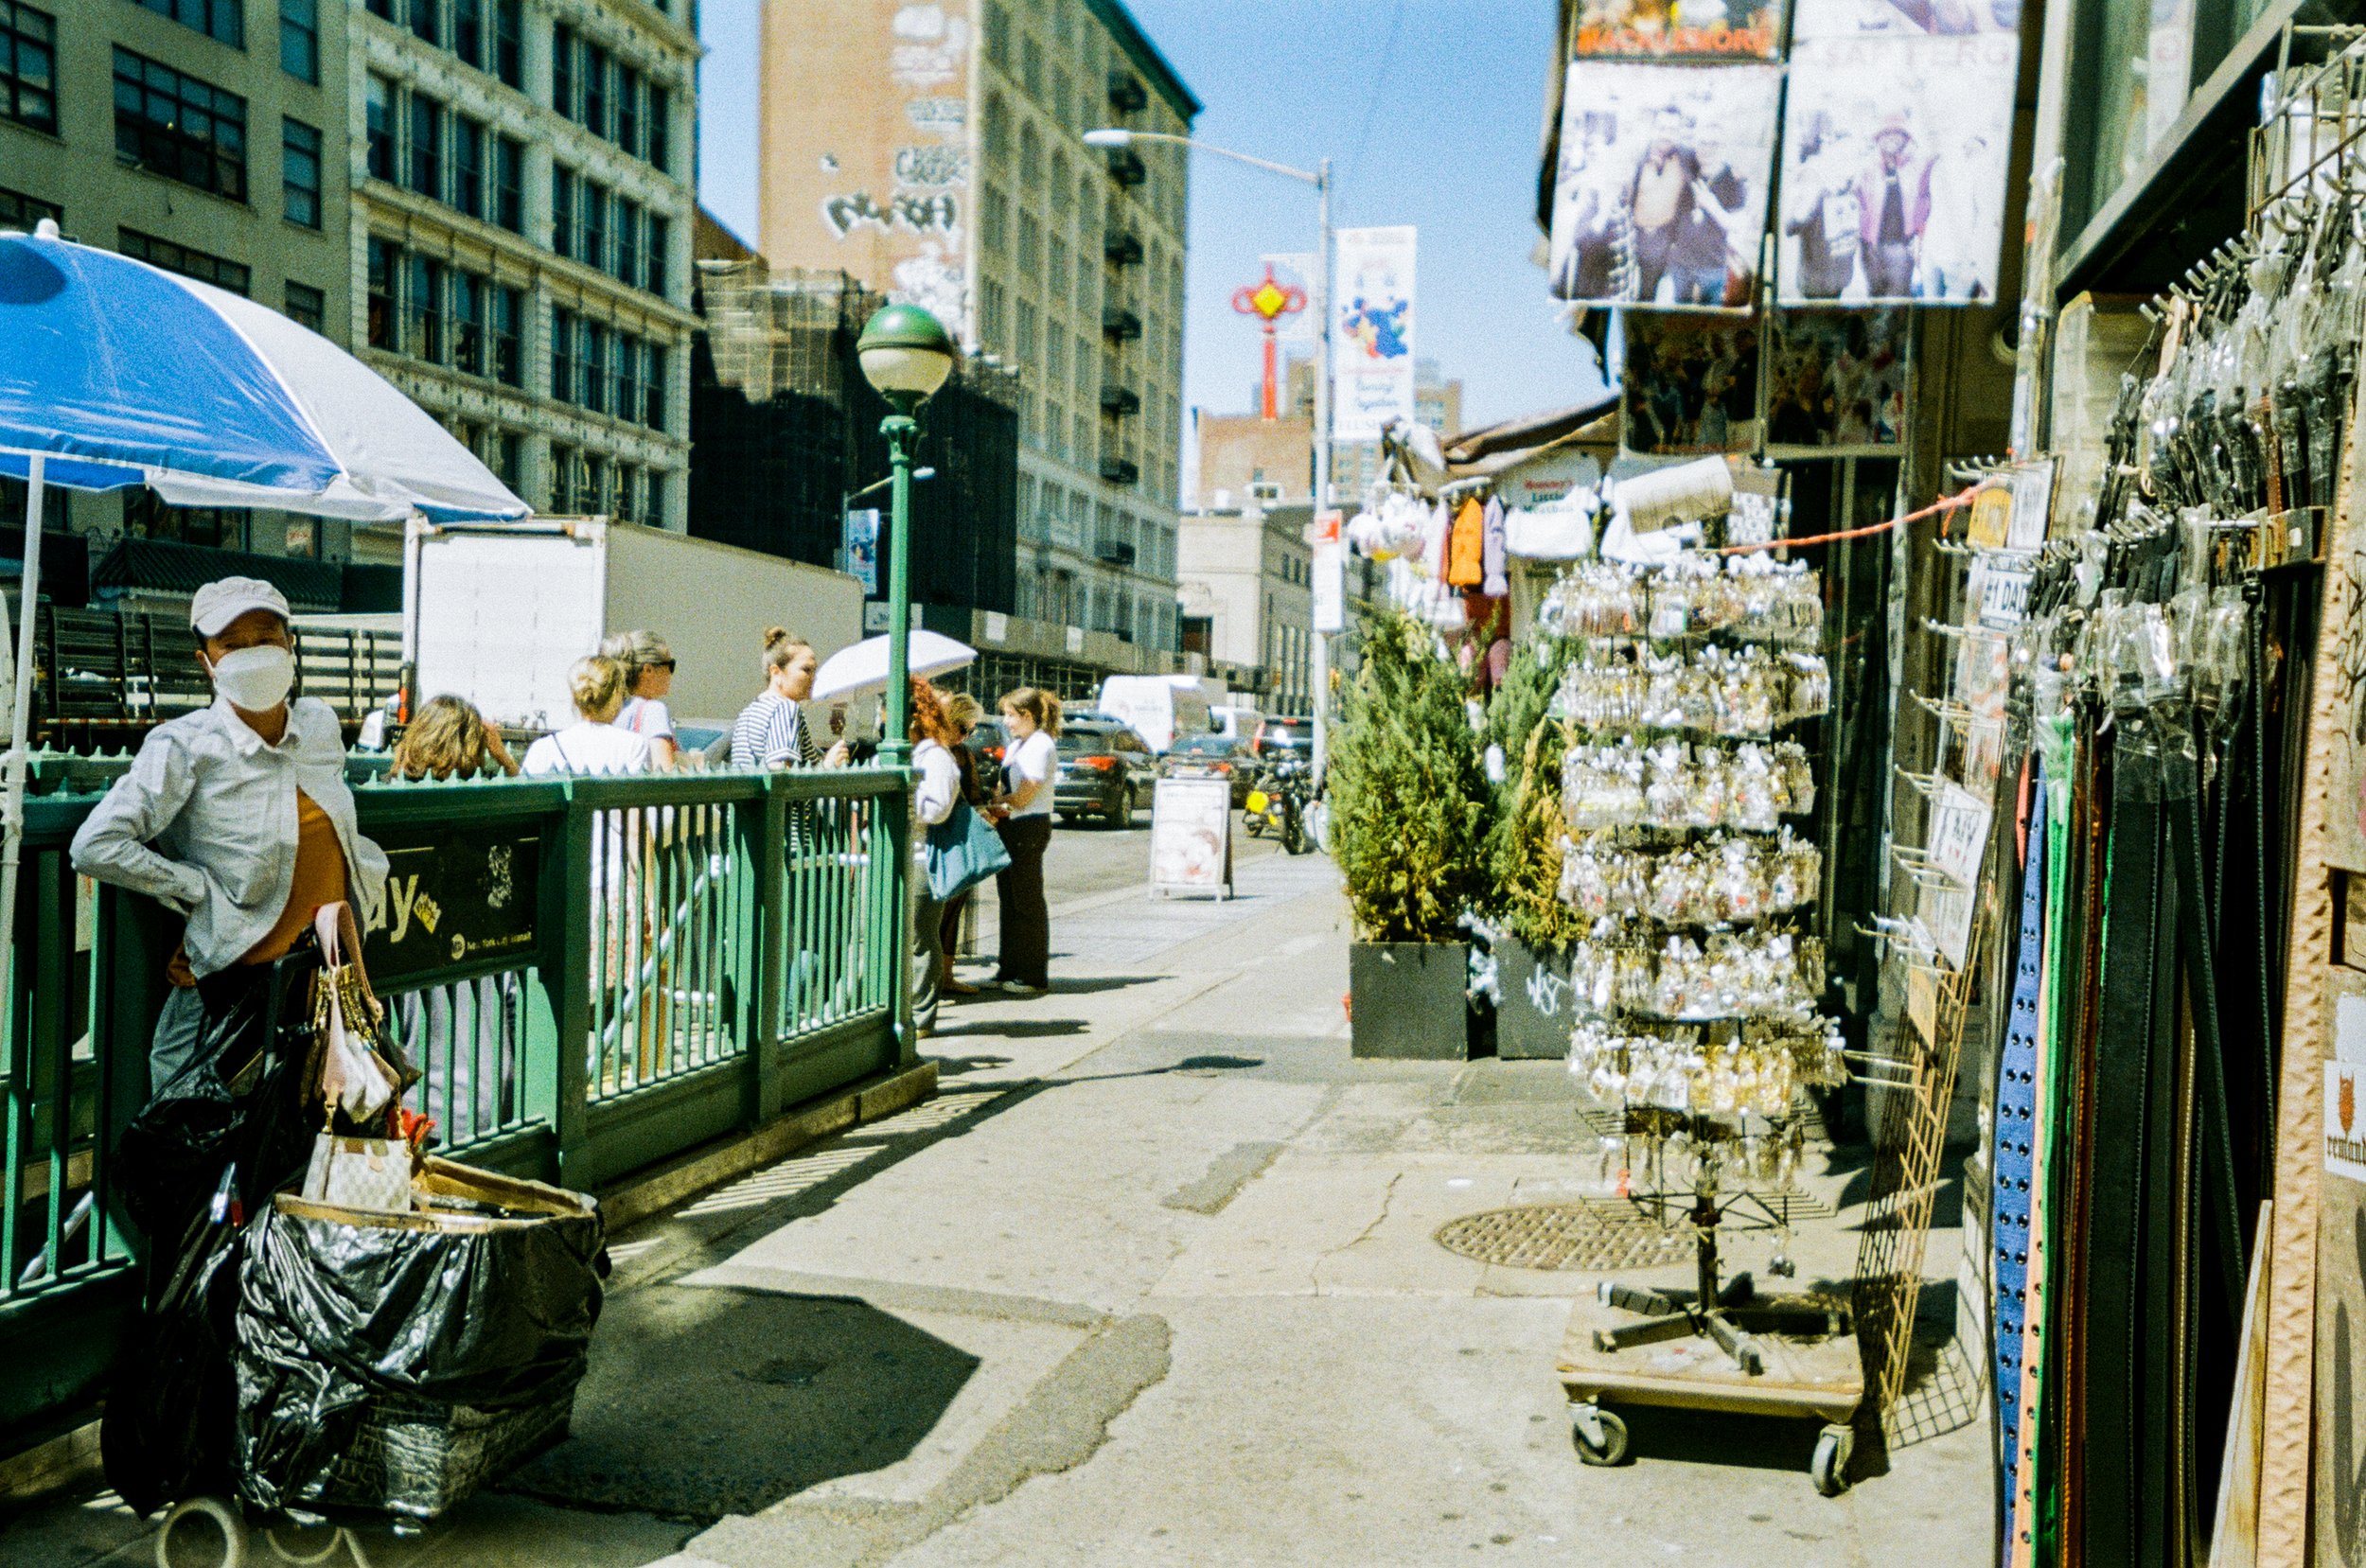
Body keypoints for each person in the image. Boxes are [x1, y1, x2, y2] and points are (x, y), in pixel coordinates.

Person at [72, 576, 390, 1095]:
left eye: (265, 638)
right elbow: (95, 844)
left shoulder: (318, 725)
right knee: (199, 1161)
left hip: (321, 992)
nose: (252, 654)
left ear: (290, 646)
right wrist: (197, 892)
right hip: (227, 1001)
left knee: (309, 1159)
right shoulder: (185, 744)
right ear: (207, 663)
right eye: (232, 645)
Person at [386, 695, 522, 1144]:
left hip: (408, 945)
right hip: (474, 951)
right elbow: (537, 810)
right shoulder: (488, 804)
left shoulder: (390, 799)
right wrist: (505, 758)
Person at [985, 687, 1059, 996]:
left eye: (1011, 715)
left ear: (1027, 716)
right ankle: (1010, 966)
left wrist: (998, 805)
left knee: (1027, 901)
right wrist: (998, 802)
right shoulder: (1019, 745)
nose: (1006, 722)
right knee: (1010, 900)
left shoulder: (1040, 745)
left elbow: (1026, 795)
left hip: (1028, 827)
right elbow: (1005, 786)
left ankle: (1033, 974)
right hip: (1011, 825)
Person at [908, 680, 963, 1033]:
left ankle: (922, 1016)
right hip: (904, 855)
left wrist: (904, 798)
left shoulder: (937, 757)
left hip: (922, 858)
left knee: (919, 936)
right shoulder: (915, 754)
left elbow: (939, 809)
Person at [732, 626, 850, 771]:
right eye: (806, 670)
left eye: (814, 670)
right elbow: (781, 774)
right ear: (776, 672)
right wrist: (827, 765)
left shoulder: (749, 711)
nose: (814, 678)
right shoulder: (785, 708)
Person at [938, 691, 990, 996]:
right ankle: (931, 980)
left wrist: (984, 812)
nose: (966, 736)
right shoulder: (930, 751)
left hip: (958, 840)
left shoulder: (962, 754)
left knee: (953, 911)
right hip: (938, 840)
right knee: (934, 913)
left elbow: (975, 795)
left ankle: (946, 974)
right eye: (963, 729)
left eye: (971, 731)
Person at [1858, 115, 1932, 299]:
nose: (1891, 137)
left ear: (1906, 138)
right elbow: (1857, 201)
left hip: (1901, 247)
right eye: (1886, 133)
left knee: (1897, 301)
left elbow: (1925, 201)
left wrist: (1917, 233)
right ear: (1878, 138)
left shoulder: (1917, 166)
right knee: (1874, 297)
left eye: (1897, 133)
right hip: (1871, 247)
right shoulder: (1866, 168)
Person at [391, 694, 519, 781]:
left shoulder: (400, 778)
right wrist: (503, 756)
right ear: (469, 742)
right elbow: (522, 791)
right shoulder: (476, 785)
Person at [604, 630, 680, 769]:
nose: (671, 673)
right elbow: (665, 770)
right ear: (648, 670)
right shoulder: (653, 710)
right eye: (670, 665)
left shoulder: (611, 710)